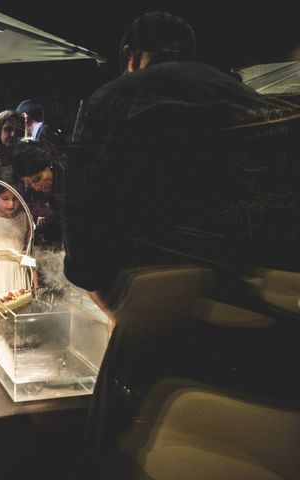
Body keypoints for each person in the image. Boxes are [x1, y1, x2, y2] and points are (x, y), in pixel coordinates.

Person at [64, 12, 300, 479]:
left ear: (131, 57)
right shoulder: (255, 101)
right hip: (261, 339)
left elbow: (85, 247)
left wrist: (117, 306)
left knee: (115, 454)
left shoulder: (109, 101)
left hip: (159, 332)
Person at [12, 139, 62, 248]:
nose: (36, 188)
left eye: (37, 179)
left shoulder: (69, 184)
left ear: (50, 164)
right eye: (30, 184)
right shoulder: (43, 194)